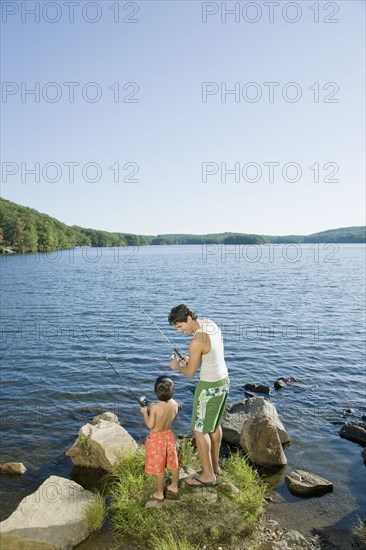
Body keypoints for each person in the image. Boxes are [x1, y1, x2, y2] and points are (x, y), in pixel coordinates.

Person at [168, 304, 229, 487]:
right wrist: (192, 359)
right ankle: (215, 466)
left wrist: (177, 366)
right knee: (214, 425)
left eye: (180, 326)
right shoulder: (210, 324)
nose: (180, 331)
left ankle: (208, 475)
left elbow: (190, 373)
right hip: (223, 382)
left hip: (208, 387)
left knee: (199, 429)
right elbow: (210, 352)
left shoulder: (195, 342)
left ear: (188, 318)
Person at [140, 376, 180, 502]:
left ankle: (159, 494)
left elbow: (150, 425)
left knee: (159, 467)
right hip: (169, 435)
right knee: (173, 462)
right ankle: (174, 486)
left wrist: (145, 412)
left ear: (156, 392)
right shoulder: (175, 404)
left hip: (157, 439)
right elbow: (173, 417)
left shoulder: (155, 407)